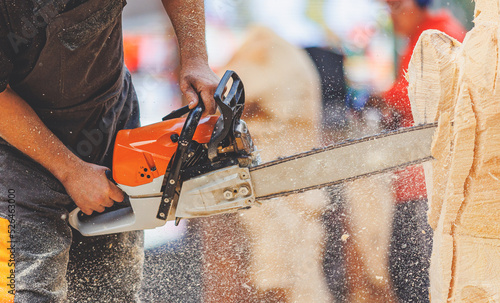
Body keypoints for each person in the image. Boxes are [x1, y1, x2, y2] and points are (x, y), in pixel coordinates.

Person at [0, 0, 219, 301]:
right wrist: (70, 170)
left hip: (107, 119)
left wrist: (195, 56)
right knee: (29, 290)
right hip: (15, 152)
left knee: (111, 290)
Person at [379, 0, 466, 302]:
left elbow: (419, 93)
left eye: (397, 6)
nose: (392, 15)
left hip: (428, 184)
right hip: (414, 178)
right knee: (405, 272)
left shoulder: (438, 35)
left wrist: (383, 98)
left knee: (417, 276)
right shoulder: (420, 34)